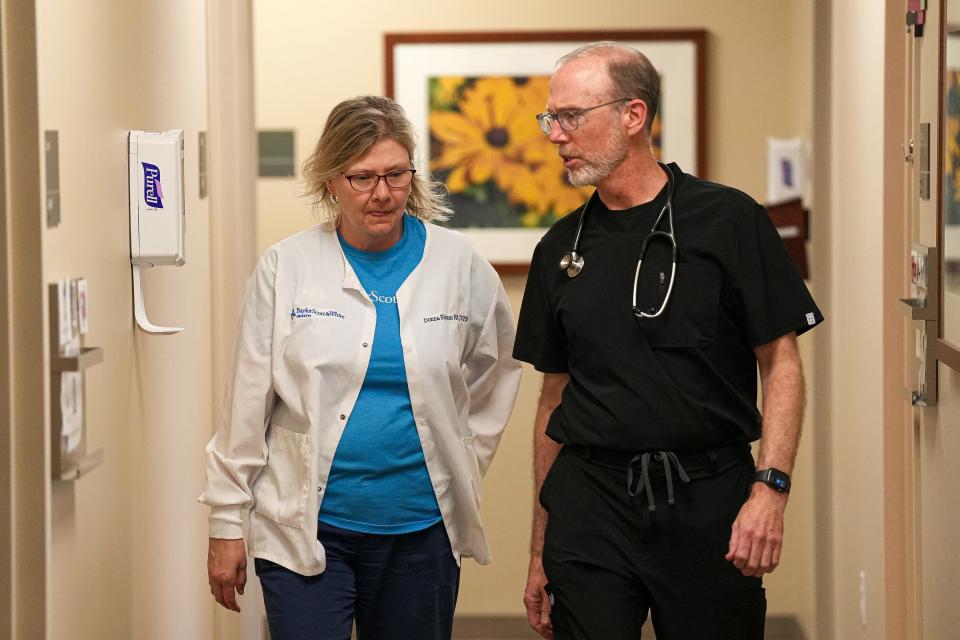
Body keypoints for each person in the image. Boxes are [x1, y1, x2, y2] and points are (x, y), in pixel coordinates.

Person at [514, 42, 823, 640]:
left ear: (633, 116)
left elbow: (781, 363)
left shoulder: (730, 221)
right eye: (550, 118)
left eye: (571, 116)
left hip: (707, 497)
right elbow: (554, 398)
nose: (555, 134)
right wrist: (539, 547)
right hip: (590, 502)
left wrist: (772, 488)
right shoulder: (559, 249)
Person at [200, 95, 522, 640]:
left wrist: (461, 456)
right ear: (330, 181)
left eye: (396, 175)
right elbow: (247, 403)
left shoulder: (459, 263)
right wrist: (226, 521)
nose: (381, 194)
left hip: (421, 531)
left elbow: (495, 372)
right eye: (362, 178)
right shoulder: (287, 267)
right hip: (305, 528)